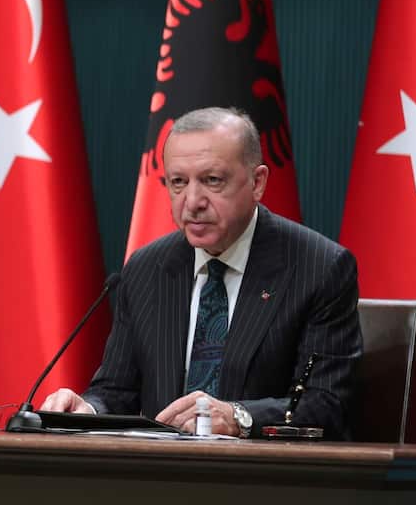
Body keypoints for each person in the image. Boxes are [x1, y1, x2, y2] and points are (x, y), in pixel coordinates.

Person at [41, 107, 361, 439]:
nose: (192, 201)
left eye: (212, 180)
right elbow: (116, 392)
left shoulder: (318, 268)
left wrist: (240, 417)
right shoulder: (146, 269)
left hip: (267, 480)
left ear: (257, 182)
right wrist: (88, 411)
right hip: (162, 479)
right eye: (178, 182)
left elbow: (328, 404)